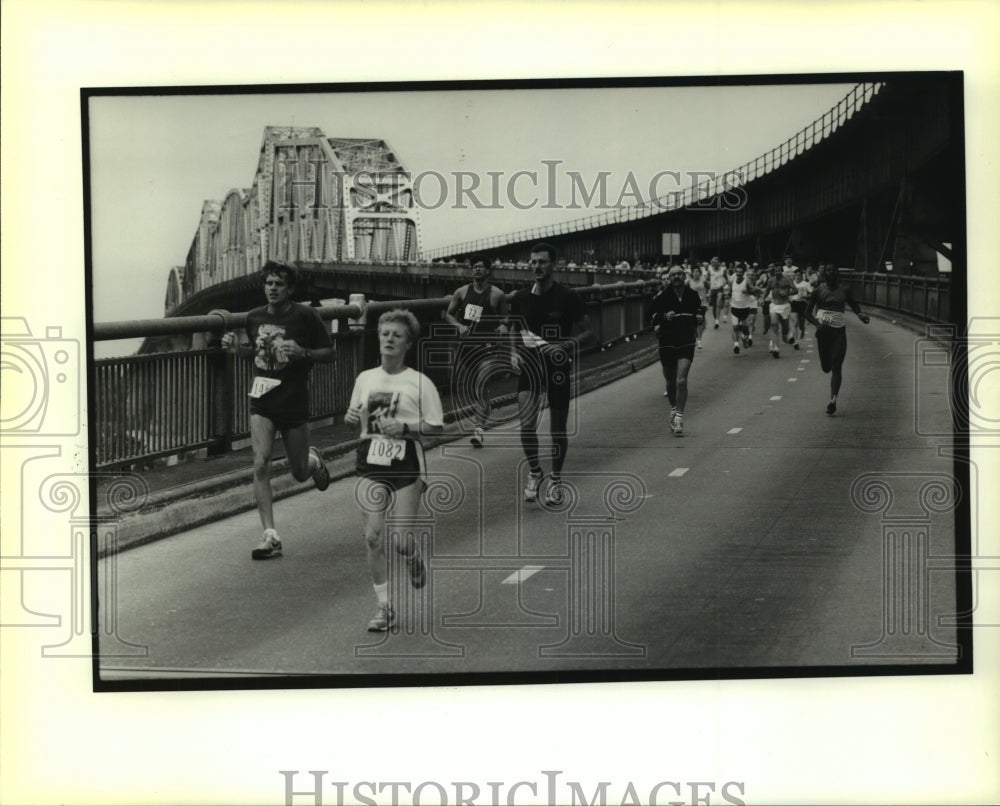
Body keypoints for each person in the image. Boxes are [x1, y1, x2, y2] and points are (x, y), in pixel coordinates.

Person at [221, 262, 336, 560]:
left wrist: (305, 352)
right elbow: (257, 355)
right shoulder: (254, 317)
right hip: (262, 402)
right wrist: (237, 350)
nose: (273, 288)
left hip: (293, 401)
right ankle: (270, 535)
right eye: (269, 283)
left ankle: (312, 461)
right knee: (260, 463)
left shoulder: (306, 316)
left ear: (290, 289)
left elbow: (330, 352)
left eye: (279, 284)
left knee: (298, 473)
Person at [345, 309, 445, 631]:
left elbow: (436, 428)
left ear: (408, 343)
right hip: (369, 460)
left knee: (400, 541)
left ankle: (413, 557)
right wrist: (350, 418)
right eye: (385, 333)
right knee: (373, 536)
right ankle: (384, 607)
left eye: (397, 335)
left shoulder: (420, 382)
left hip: (406, 461)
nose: (389, 339)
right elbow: (357, 422)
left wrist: (404, 427)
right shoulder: (365, 379)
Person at [508, 242, 594, 506]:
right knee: (526, 425)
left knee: (558, 430)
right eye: (532, 262)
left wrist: (566, 345)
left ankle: (556, 480)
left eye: (541, 262)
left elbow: (590, 333)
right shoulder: (520, 297)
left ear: (553, 264)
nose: (536, 267)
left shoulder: (567, 297)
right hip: (530, 367)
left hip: (557, 367)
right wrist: (513, 352)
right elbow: (514, 328)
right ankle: (535, 472)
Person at [444, 254, 509, 448]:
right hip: (467, 348)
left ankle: (479, 430)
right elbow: (448, 315)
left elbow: (506, 320)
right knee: (477, 389)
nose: (477, 270)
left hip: (487, 347)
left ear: (488, 270)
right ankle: (484, 410)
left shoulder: (497, 294)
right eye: (474, 267)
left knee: (481, 384)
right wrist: (459, 326)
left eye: (481, 267)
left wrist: (502, 330)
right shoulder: (461, 293)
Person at [805, 264, 871, 415]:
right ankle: (832, 395)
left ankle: (833, 399)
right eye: (829, 270)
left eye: (834, 270)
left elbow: (855, 306)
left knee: (836, 366)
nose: (831, 272)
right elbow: (807, 313)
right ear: (824, 273)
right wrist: (817, 324)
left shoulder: (845, 290)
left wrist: (861, 315)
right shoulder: (818, 290)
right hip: (823, 333)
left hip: (839, 333)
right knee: (826, 367)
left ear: (837, 273)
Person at [651, 266, 705, 435]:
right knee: (671, 381)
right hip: (667, 341)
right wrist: (664, 317)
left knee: (681, 380)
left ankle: (679, 416)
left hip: (686, 340)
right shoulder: (662, 296)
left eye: (679, 274)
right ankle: (674, 408)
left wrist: (699, 317)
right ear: (669, 278)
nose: (676, 277)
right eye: (673, 275)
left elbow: (699, 311)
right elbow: (651, 317)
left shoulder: (692, 295)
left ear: (684, 276)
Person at [767, 265, 800, 357]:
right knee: (774, 325)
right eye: (776, 271)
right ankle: (776, 347)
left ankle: (784, 334)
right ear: (774, 271)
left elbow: (796, 290)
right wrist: (762, 298)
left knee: (785, 329)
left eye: (779, 271)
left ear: (781, 271)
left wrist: (787, 293)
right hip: (774, 305)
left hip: (784, 306)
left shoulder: (787, 280)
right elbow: (767, 290)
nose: (777, 272)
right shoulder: (771, 280)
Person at [728, 263, 756, 354]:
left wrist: (747, 291)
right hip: (735, 308)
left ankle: (744, 338)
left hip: (745, 308)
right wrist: (727, 296)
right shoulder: (732, 280)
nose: (738, 273)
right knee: (735, 327)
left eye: (740, 272)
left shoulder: (747, 281)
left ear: (744, 272)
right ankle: (736, 344)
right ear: (735, 271)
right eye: (737, 271)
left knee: (745, 329)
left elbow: (754, 291)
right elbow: (729, 291)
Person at [687, 265, 709, 349]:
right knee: (693, 322)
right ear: (692, 273)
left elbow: (707, 288)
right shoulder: (689, 282)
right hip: (692, 304)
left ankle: (699, 340)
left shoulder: (703, 281)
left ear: (700, 273)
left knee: (700, 320)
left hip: (702, 303)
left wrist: (707, 298)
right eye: (694, 272)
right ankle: (696, 336)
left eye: (697, 272)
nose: (696, 273)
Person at [706, 257, 728, 329]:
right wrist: (709, 284)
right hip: (712, 289)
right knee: (714, 307)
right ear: (712, 264)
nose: (715, 264)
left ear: (719, 263)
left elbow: (726, 279)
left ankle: (717, 321)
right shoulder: (710, 270)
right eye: (713, 263)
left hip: (720, 289)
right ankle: (716, 319)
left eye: (716, 262)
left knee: (718, 304)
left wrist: (723, 284)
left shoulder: (722, 270)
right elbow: (707, 279)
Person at [791, 268, 812, 340]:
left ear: (802, 276)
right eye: (796, 275)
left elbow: (812, 294)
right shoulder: (791, 283)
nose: (798, 276)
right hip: (794, 303)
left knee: (801, 324)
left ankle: (802, 330)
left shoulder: (806, 284)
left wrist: (805, 296)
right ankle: (796, 341)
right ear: (794, 276)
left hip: (803, 303)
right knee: (795, 323)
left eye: (799, 275)